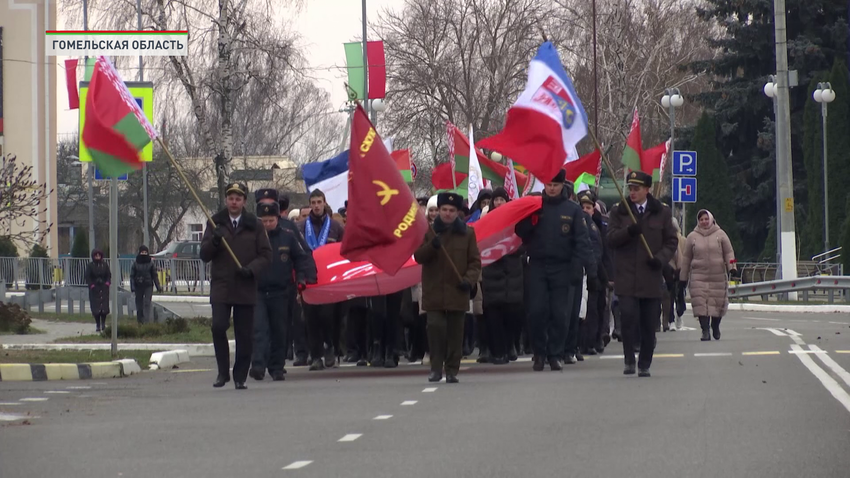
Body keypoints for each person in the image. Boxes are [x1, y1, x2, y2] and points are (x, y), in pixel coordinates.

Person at [516, 169, 596, 371]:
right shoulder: (534, 206)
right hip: (537, 266)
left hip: (563, 267)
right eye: (548, 185)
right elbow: (519, 231)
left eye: (555, 185)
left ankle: (555, 354)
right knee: (536, 311)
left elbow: (582, 241)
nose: (551, 189)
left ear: (562, 186)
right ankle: (539, 353)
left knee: (560, 313)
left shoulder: (573, 210)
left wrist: (582, 267)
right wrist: (529, 220)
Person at [200, 182, 272, 390]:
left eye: (238, 198)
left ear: (244, 202)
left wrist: (251, 269)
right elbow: (204, 255)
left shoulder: (254, 225)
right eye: (231, 198)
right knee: (218, 326)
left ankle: (240, 375)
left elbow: (266, 255)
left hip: (245, 284)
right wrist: (214, 242)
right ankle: (223, 372)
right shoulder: (215, 222)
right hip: (222, 285)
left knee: (244, 334)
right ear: (226, 200)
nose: (234, 202)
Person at [607, 171, 678, 377]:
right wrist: (628, 232)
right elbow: (610, 239)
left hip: (650, 277)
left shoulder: (661, 213)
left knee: (649, 324)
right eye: (630, 188)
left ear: (647, 190)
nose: (632, 192)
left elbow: (671, 241)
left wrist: (661, 259)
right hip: (626, 277)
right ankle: (629, 359)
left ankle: (645, 362)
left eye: (637, 188)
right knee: (628, 320)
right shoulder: (619, 212)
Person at [415, 192, 481, 384]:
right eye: (444, 210)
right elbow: (418, 256)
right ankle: (436, 368)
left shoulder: (467, 233)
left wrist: (468, 281)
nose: (447, 214)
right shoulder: (428, 232)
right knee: (435, 330)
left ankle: (452, 369)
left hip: (457, 291)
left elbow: (475, 262)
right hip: (434, 291)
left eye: (451, 210)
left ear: (457, 212)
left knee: (455, 333)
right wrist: (431, 247)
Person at [249, 202, 311, 381]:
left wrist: (301, 278)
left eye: (271, 220)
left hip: (281, 291)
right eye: (264, 221)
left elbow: (301, 258)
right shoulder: (253, 238)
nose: (268, 224)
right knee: (259, 330)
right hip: (258, 291)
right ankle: (258, 365)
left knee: (279, 331)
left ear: (278, 219)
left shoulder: (288, 237)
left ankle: (276, 367)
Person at [297, 189, 345, 371]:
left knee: (328, 317)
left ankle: (330, 345)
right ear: (310, 205)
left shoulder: (335, 227)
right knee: (311, 318)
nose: (316, 206)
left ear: (324, 203)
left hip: (330, 281)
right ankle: (316, 355)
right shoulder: (301, 227)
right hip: (308, 281)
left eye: (319, 202)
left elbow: (344, 252)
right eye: (313, 202)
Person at [679, 209, 737, 341]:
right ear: (698, 221)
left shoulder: (721, 234)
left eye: (706, 219)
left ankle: (715, 326)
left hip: (717, 276)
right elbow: (686, 258)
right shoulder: (692, 236)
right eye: (701, 220)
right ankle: (705, 330)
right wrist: (683, 278)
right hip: (698, 277)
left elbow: (729, 253)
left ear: (711, 219)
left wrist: (732, 267)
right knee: (700, 304)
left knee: (717, 303)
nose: (704, 222)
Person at [481, 187, 523, 364]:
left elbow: (522, 243)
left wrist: (509, 249)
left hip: (512, 273)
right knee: (493, 315)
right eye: (496, 200)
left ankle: (511, 344)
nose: (498, 203)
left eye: (501, 199)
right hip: (492, 272)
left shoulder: (515, 221)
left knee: (512, 313)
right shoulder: (486, 221)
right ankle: (498, 351)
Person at [577, 191, 608, 357]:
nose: (585, 210)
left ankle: (596, 339)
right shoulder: (583, 224)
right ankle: (586, 342)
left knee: (598, 308)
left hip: (598, 272)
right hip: (586, 273)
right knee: (588, 310)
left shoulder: (598, 224)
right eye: (583, 206)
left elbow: (604, 251)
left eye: (588, 207)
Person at [130, 245, 162, 324]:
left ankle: (147, 321)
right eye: (142, 252)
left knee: (147, 302)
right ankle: (140, 321)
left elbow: (154, 275)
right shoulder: (135, 263)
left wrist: (158, 286)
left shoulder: (150, 263)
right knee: (139, 304)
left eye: (145, 252)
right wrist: (133, 287)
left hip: (148, 285)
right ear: (139, 252)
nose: (143, 254)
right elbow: (132, 276)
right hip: (138, 285)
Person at [86, 249, 111, 332]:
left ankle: (103, 323)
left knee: (104, 307)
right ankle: (98, 324)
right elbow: (87, 276)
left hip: (104, 288)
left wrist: (107, 283)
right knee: (96, 308)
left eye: (99, 255)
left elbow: (108, 274)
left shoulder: (104, 265)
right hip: (94, 289)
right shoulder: (90, 266)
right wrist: (92, 285)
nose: (97, 257)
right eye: (96, 256)